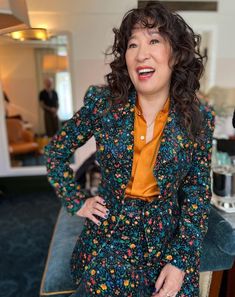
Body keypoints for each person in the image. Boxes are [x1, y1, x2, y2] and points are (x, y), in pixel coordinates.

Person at [44, 2, 215, 296]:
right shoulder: (103, 106)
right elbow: (54, 152)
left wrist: (180, 261)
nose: (141, 53)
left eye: (154, 40)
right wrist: (77, 201)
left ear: (175, 54)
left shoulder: (198, 118)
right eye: (132, 44)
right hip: (112, 236)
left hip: (166, 239)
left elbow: (197, 192)